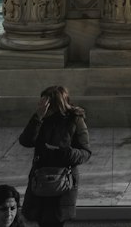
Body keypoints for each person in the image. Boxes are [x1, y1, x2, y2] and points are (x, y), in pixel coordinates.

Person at [19, 85, 91, 226]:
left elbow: (85, 152)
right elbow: (26, 141)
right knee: (39, 218)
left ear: (56, 105)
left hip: (63, 182)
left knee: (56, 221)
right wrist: (37, 118)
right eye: (40, 103)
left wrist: (64, 152)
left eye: (45, 104)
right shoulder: (40, 119)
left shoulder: (74, 120)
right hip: (40, 179)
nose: (42, 106)